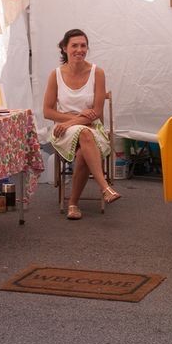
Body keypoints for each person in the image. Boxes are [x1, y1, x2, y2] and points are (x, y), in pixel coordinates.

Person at [43, 28, 121, 220]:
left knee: (83, 147)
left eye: (83, 45)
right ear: (64, 48)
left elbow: (97, 113)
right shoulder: (56, 75)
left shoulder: (97, 73)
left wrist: (73, 120)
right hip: (63, 131)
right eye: (74, 45)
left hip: (91, 129)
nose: (79, 50)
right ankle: (105, 187)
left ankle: (73, 204)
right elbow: (47, 111)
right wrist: (75, 119)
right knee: (84, 134)